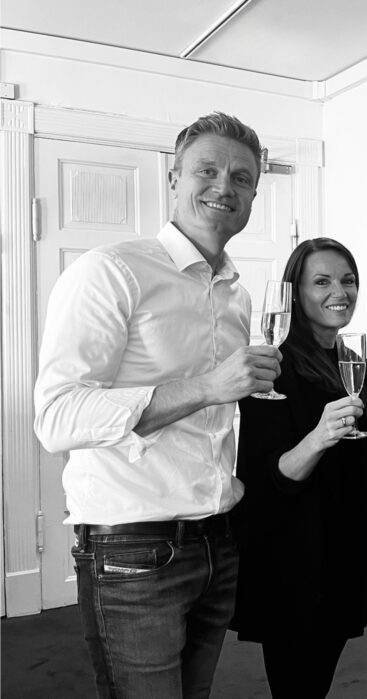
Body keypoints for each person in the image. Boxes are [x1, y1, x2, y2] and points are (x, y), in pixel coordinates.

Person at [33, 112, 281, 697]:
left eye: (242, 178)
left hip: (217, 538)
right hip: (132, 548)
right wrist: (207, 387)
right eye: (207, 171)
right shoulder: (110, 271)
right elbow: (57, 417)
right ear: (174, 179)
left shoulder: (238, 294)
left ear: (253, 195)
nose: (224, 187)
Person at [229, 238, 367, 698]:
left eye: (348, 280)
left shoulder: (354, 364)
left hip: (342, 557)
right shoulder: (270, 369)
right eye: (322, 282)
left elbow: (365, 475)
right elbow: (271, 478)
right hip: (293, 562)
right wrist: (319, 436)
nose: (340, 291)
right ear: (295, 294)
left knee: (316, 684)